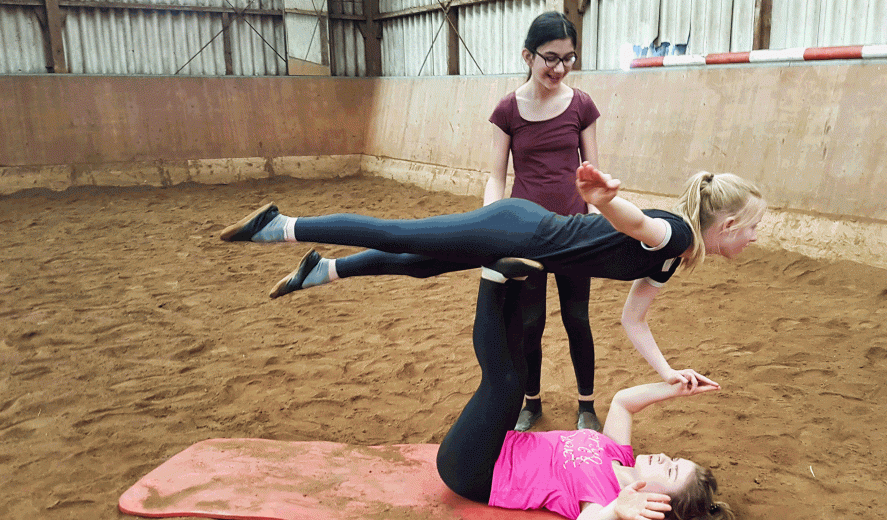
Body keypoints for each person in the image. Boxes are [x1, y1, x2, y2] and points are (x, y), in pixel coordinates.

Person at [220, 162, 766, 392]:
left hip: (522, 242)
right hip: (517, 228)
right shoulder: (674, 235)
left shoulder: (672, 260)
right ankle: (282, 226)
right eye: (754, 228)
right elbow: (637, 223)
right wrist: (604, 200)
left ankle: (325, 269)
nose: (755, 238)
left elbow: (634, 321)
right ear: (728, 224)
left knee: (421, 265)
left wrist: (668, 371)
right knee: (402, 235)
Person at [436, 263, 734, 520]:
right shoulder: (619, 453)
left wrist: (616, 510)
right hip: (499, 445)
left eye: (670, 471)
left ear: (659, 501)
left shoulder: (605, 497)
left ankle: (491, 279)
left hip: (474, 470)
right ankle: (512, 283)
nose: (664, 458)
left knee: (506, 386)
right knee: (519, 370)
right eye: (675, 459)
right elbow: (623, 403)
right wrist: (674, 388)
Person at [483, 11, 602, 433]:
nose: (560, 68)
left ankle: (587, 405)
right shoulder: (507, 110)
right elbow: (497, 177)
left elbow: (594, 174)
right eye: (551, 58)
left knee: (577, 319)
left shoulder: (582, 105)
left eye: (569, 58)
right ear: (528, 56)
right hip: (526, 234)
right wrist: (489, 226)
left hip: (573, 232)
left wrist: (599, 222)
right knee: (529, 323)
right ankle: (531, 402)